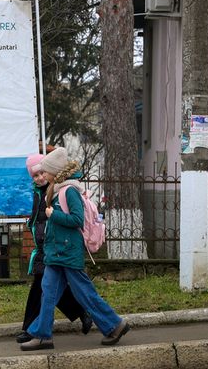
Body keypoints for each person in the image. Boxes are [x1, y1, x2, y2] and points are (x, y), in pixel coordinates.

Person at [21, 147, 130, 351]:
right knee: (48, 293)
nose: (43, 175)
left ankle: (115, 325)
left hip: (68, 253)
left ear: (54, 171)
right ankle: (42, 335)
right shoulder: (55, 190)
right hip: (55, 253)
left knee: (84, 293)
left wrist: (54, 215)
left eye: (45, 171)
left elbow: (77, 220)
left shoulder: (69, 191)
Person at [16, 153, 92, 343]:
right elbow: (38, 218)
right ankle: (81, 311)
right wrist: (31, 225)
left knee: (43, 287)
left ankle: (31, 329)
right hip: (44, 246)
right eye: (35, 176)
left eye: (42, 173)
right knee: (50, 287)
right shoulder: (38, 192)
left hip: (54, 246)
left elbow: (66, 218)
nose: (40, 177)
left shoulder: (56, 190)